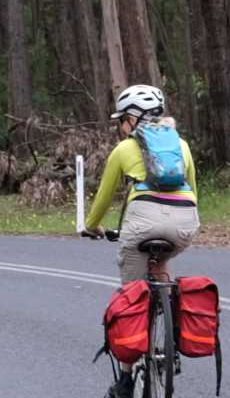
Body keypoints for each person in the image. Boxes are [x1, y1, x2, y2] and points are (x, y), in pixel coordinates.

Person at [81, 84, 200, 283]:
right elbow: (193, 190)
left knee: (133, 291)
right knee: (161, 261)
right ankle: (176, 308)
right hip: (185, 220)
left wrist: (92, 226)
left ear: (134, 118)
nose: (121, 126)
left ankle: (139, 310)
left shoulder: (123, 148)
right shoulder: (182, 145)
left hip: (143, 221)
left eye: (122, 119)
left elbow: (104, 196)